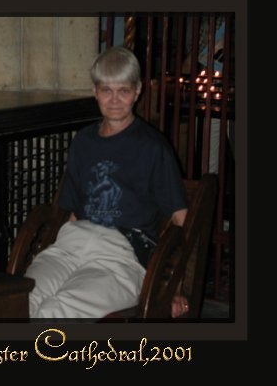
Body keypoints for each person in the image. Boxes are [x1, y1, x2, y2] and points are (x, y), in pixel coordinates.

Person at [24, 46, 190, 319]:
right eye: (106, 90)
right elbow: (74, 211)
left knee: (57, 312)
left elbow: (182, 220)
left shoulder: (152, 147)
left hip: (121, 255)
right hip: (72, 244)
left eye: (123, 91)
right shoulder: (83, 142)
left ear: (137, 91)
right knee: (22, 302)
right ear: (95, 91)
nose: (114, 100)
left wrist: (173, 288)